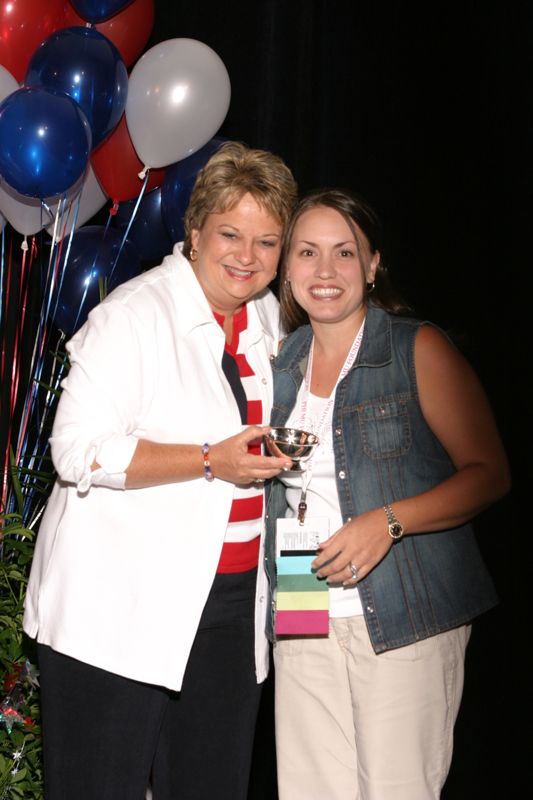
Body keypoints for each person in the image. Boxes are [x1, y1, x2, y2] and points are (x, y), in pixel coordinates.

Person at [23, 141, 296, 800]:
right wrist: (209, 461)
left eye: (266, 242)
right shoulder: (132, 316)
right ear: (194, 231)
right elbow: (75, 450)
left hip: (229, 614)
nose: (246, 256)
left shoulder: (269, 322)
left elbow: (295, 488)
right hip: (116, 612)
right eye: (230, 233)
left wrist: (302, 624)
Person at [265, 188, 510, 800]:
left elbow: (488, 471)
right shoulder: (278, 364)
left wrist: (389, 521)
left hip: (403, 615)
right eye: (308, 252)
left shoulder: (414, 348)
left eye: (344, 253)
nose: (325, 271)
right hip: (302, 607)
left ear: (373, 266)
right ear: (287, 267)